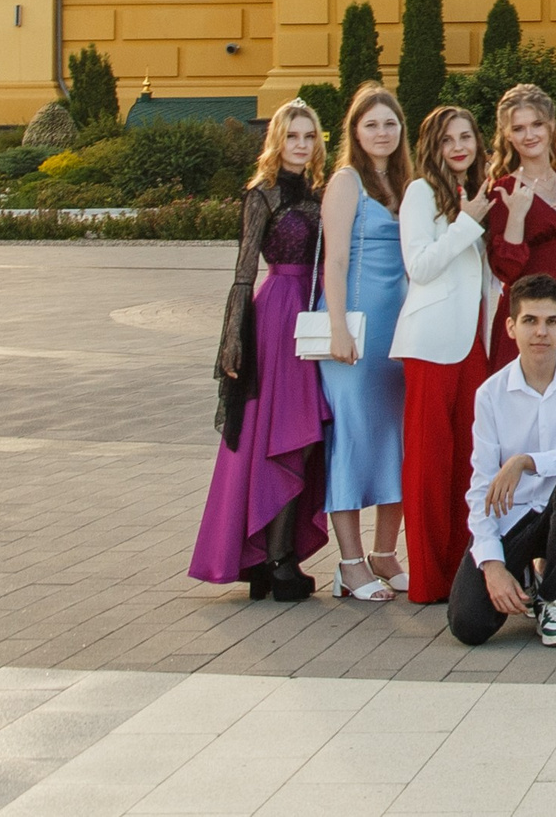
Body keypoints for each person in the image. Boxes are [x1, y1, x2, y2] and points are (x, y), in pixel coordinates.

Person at [191, 98, 330, 601]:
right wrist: (232, 338)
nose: (300, 145)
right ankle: (275, 558)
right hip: (276, 317)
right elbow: (244, 270)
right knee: (282, 433)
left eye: (308, 137)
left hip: (313, 314)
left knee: (305, 434)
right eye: (292, 136)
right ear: (277, 140)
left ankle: (276, 550)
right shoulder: (262, 194)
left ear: (317, 143)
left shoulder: (322, 191)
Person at [450, 273, 556, 647]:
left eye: (551, 322)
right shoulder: (491, 394)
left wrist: (525, 461)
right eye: (530, 321)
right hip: (513, 519)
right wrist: (492, 566)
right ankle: (518, 572)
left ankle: (552, 596)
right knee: (468, 625)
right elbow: (480, 487)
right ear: (510, 327)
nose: (541, 332)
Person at [393, 103, 499, 605]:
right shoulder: (419, 194)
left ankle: (463, 576)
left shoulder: (475, 192)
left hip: (473, 345)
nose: (459, 146)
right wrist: (466, 223)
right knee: (428, 465)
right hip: (432, 346)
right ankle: (427, 582)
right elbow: (419, 266)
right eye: (448, 140)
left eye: (466, 137)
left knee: (466, 465)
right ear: (432, 148)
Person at [318, 83, 413, 601]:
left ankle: (384, 553)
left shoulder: (405, 182)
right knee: (353, 440)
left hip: (398, 332)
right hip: (354, 331)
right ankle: (350, 564)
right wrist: (336, 327)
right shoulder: (346, 181)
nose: (382, 132)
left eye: (390, 124)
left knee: (395, 440)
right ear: (355, 131)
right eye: (372, 124)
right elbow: (333, 259)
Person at [485, 84, 556, 369]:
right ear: (508, 136)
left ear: (551, 127)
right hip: (529, 308)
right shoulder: (503, 190)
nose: (530, 135)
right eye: (519, 128)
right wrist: (517, 215)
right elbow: (505, 270)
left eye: (536, 124)